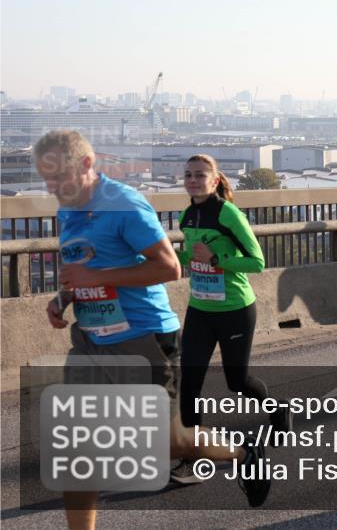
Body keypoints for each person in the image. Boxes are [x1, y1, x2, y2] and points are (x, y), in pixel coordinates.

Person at [34, 131, 271, 530]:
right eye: (46, 179)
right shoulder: (67, 212)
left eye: (60, 177)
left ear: (87, 165)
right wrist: (64, 299)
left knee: (169, 444)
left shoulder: (124, 204)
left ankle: (243, 453)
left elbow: (168, 267)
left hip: (143, 338)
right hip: (91, 341)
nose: (53, 187)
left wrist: (94, 274)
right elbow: (84, 269)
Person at [171, 154, 292, 484]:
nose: (193, 180)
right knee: (189, 385)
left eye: (200, 175)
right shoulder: (187, 215)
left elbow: (257, 262)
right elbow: (189, 257)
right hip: (200, 309)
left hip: (235, 310)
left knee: (236, 382)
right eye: (188, 175)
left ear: (214, 180)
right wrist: (167, 256)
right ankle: (190, 461)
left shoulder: (228, 213)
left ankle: (277, 409)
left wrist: (218, 259)